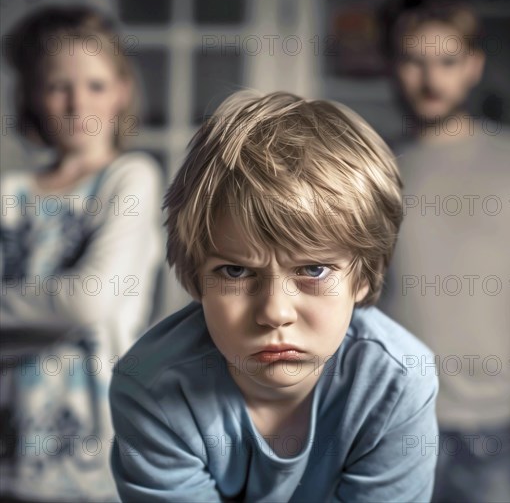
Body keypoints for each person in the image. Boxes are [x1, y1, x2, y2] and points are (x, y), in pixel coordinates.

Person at [109, 89, 439, 502]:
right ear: (196, 278)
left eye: (313, 270)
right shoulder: (150, 384)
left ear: (364, 277)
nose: (275, 312)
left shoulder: (396, 380)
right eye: (235, 270)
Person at [377, 0, 510, 502]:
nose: (431, 80)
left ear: (473, 65)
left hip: (489, 427)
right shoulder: (372, 169)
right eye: (413, 61)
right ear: (391, 64)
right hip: (388, 423)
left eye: (448, 61)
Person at [0, 6, 164, 502]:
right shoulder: (10, 191)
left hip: (94, 455)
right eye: (56, 87)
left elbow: (89, 301)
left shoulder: (131, 177)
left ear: (122, 91)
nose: (77, 104)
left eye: (94, 85)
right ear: (32, 96)